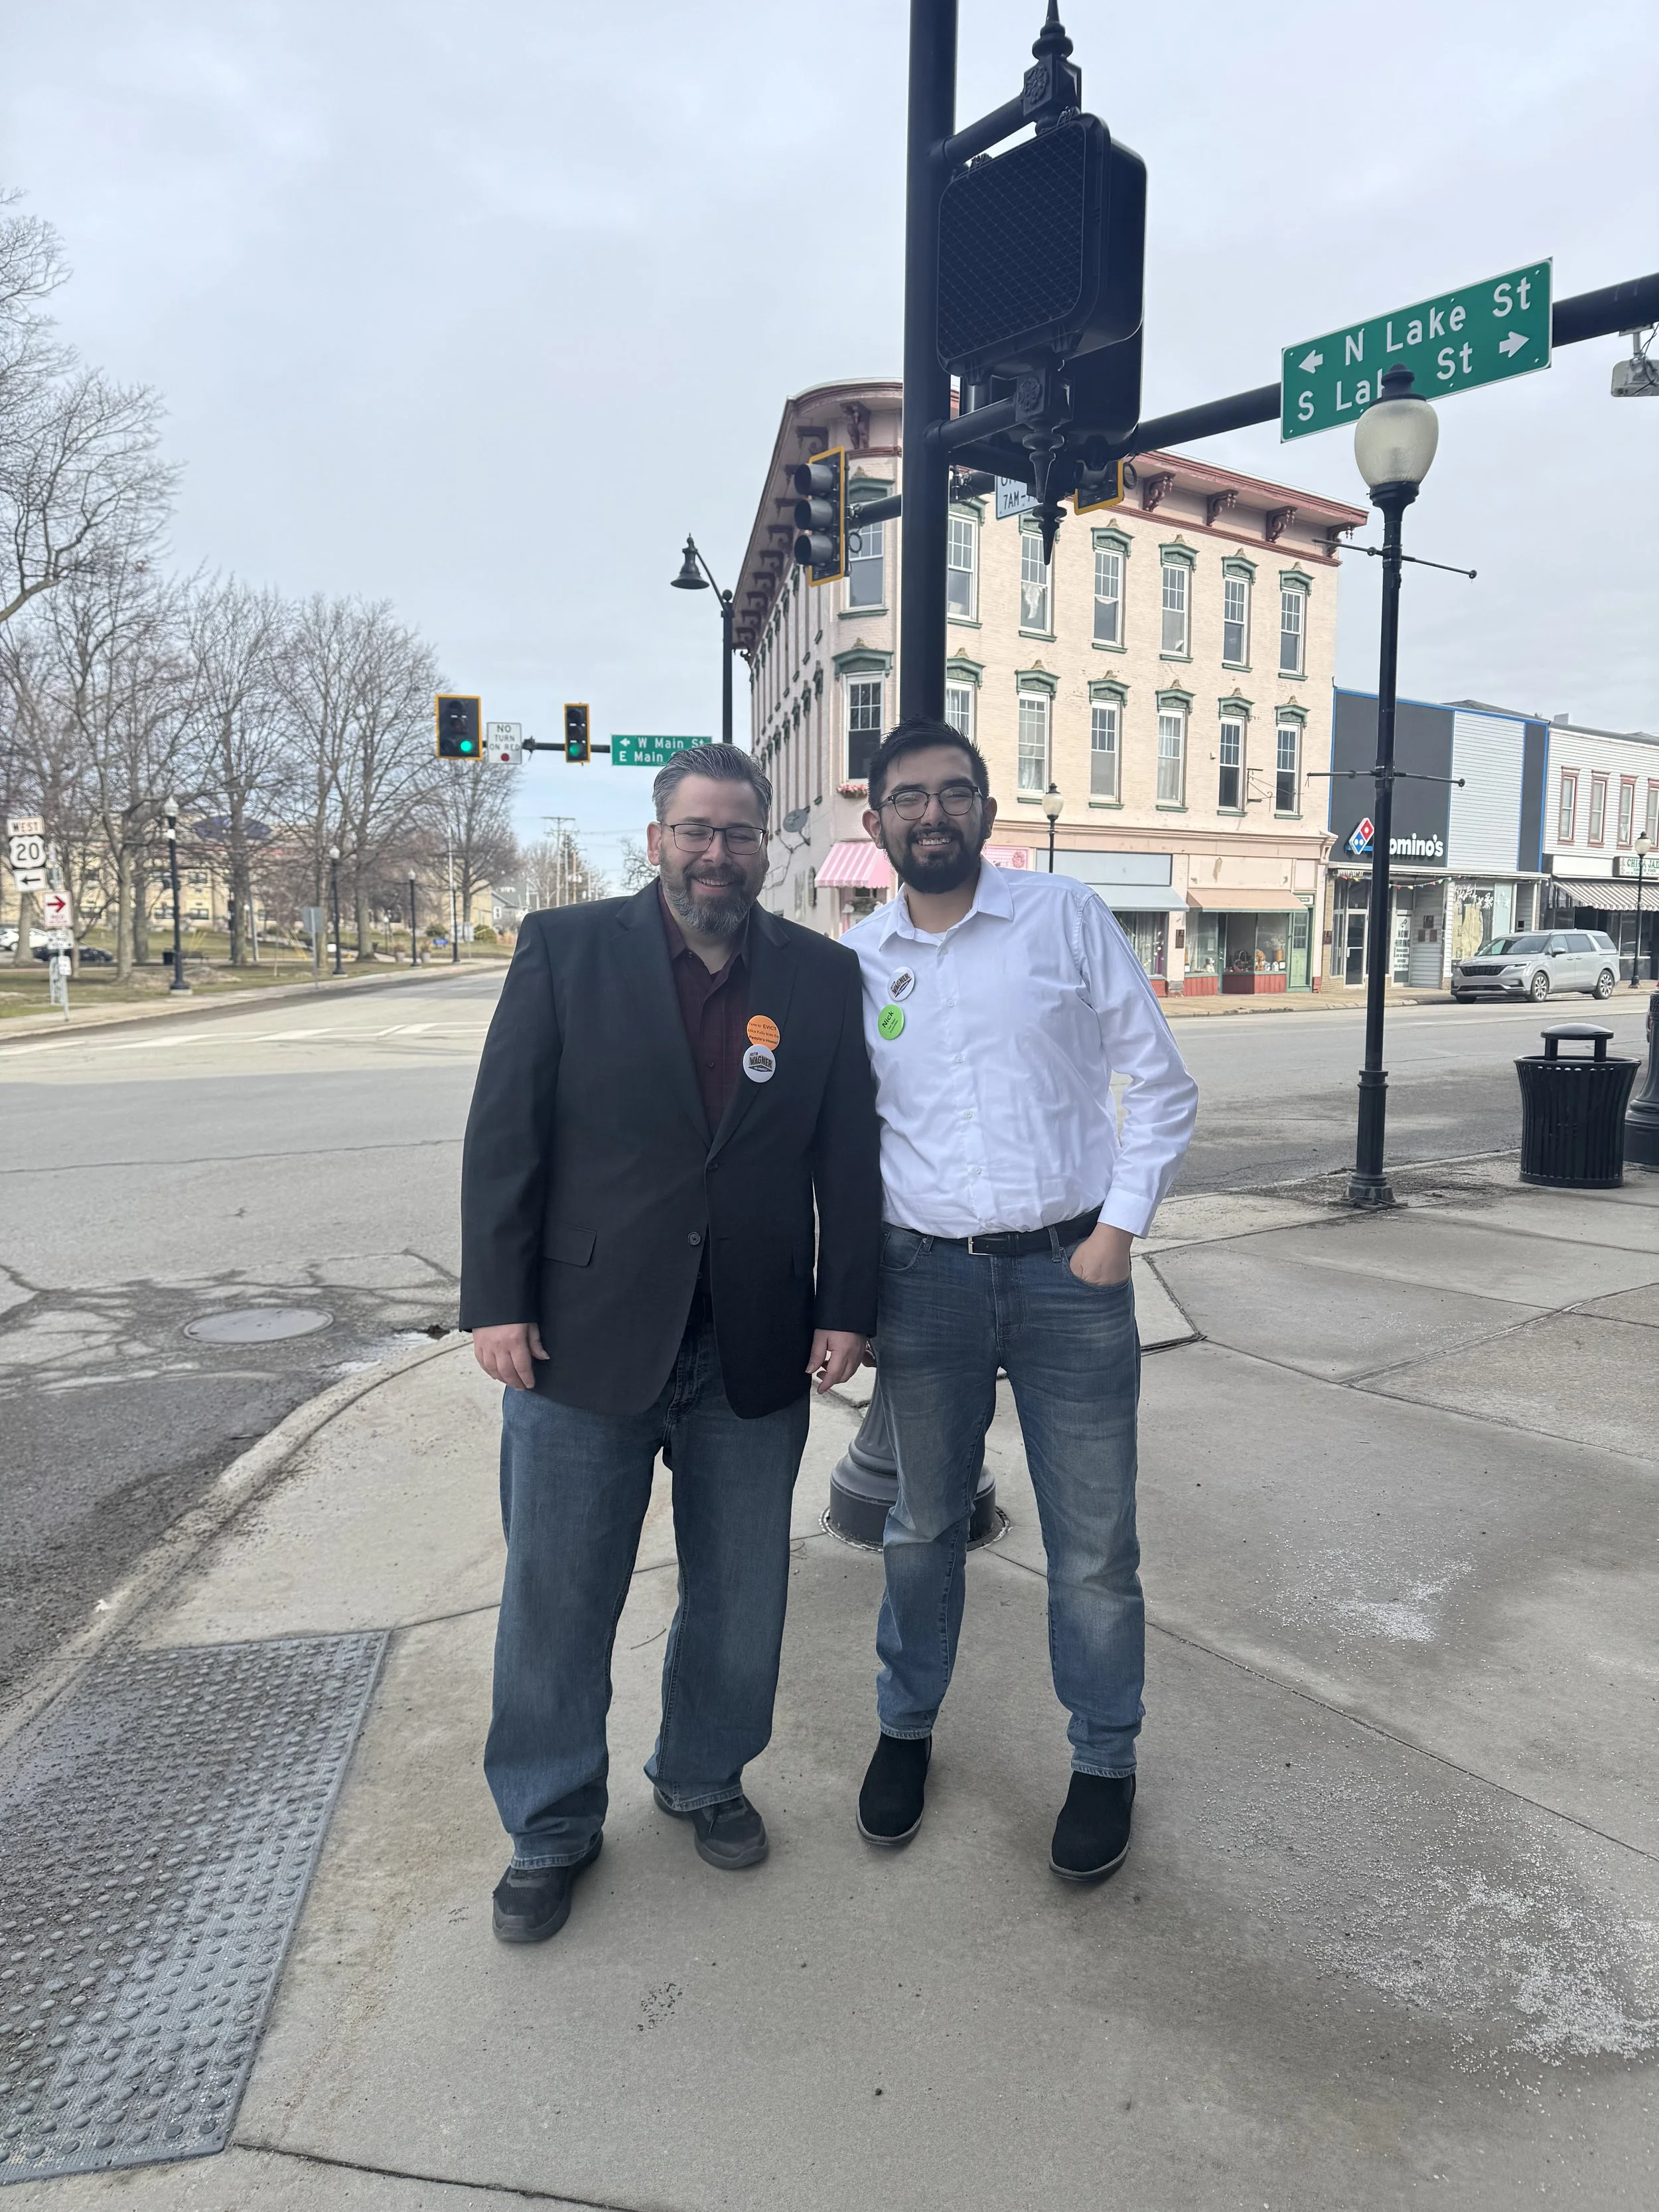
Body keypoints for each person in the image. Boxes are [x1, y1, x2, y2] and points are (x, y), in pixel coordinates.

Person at [461, 743, 880, 1943]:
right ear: (656, 841)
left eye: (738, 834)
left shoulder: (818, 980)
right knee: (557, 1598)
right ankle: (549, 1825)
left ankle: (704, 1776)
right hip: (579, 1346)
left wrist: (845, 1304)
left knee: (741, 1596)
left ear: (766, 849)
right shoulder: (564, 951)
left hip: (751, 1344)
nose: (716, 853)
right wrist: (497, 1300)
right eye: (695, 831)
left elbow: (848, 1158)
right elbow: (506, 1140)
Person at [841, 716, 1196, 1883]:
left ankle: (1105, 1757)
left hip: (1068, 1275)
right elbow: (839, 1143)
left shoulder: (1066, 919)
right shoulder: (857, 963)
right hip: (924, 1282)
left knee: (1094, 1546)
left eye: (953, 792)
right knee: (920, 1527)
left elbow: (1157, 1081)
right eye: (908, 797)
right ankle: (906, 1730)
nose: (931, 813)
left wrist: (1118, 1229)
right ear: (877, 820)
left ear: (988, 811)